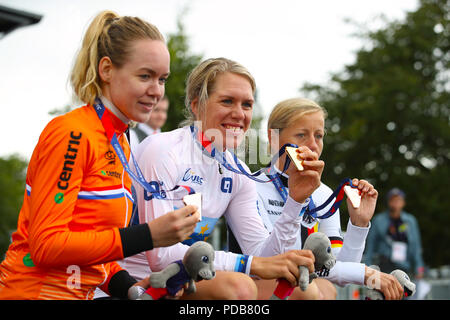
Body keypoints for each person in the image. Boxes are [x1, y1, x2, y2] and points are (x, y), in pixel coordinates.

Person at [0, 10, 199, 300]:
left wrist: (131, 287)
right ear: (106, 70)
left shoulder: (121, 141)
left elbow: (93, 244)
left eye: (162, 79)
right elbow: (46, 245)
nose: (156, 90)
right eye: (145, 76)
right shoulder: (73, 132)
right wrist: (148, 236)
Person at [120, 58, 322, 299]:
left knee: (305, 292)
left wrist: (296, 201)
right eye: (227, 101)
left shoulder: (238, 172)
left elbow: (267, 258)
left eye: (247, 105)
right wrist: (249, 265)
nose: (239, 114)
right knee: (240, 287)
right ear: (196, 105)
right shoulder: (163, 150)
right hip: (133, 280)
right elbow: (160, 256)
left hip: (189, 277)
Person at [245, 97, 404, 300]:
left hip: (308, 290)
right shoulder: (252, 185)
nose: (312, 145)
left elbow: (337, 268)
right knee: (307, 291)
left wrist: (359, 223)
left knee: (326, 288)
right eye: (302, 135)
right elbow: (269, 262)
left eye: (319, 136)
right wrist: (367, 273)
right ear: (274, 137)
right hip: (256, 286)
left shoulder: (324, 194)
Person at [364, 188, 425, 279]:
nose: (396, 203)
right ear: (388, 202)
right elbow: (370, 245)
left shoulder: (410, 221)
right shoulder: (378, 220)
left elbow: (416, 246)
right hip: (383, 266)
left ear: (403, 203)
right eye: (393, 200)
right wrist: (367, 268)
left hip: (404, 265)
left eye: (399, 200)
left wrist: (419, 268)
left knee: (402, 291)